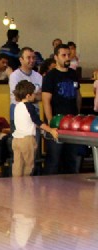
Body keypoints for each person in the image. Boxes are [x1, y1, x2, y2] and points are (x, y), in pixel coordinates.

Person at [41, 43, 82, 175]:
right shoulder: (50, 76)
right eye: (63, 55)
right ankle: (48, 188)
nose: (67, 58)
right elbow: (46, 100)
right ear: (56, 57)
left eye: (68, 55)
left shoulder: (73, 74)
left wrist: (78, 115)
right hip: (57, 122)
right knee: (54, 158)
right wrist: (50, 121)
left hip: (72, 122)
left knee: (71, 158)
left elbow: (77, 95)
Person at [12, 80, 58, 177]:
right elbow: (37, 121)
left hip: (16, 139)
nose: (35, 96)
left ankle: (16, 186)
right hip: (27, 140)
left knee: (18, 165)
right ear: (28, 96)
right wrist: (50, 130)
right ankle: (26, 187)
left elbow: (28, 121)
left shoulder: (17, 106)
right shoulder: (29, 106)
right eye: (34, 94)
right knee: (28, 166)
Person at [8, 47, 42, 129]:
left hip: (34, 113)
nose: (32, 60)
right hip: (18, 114)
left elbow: (41, 96)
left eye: (33, 58)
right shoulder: (14, 76)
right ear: (21, 59)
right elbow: (18, 97)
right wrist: (34, 96)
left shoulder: (38, 76)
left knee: (35, 140)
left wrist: (29, 97)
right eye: (28, 58)